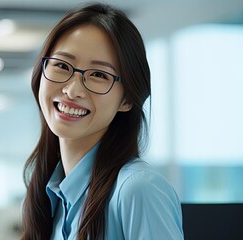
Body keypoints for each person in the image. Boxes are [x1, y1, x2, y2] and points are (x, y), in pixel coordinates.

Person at [21, 3, 183, 240]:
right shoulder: (52, 196)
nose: (72, 90)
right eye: (62, 65)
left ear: (127, 99)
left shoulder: (138, 190)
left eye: (99, 75)